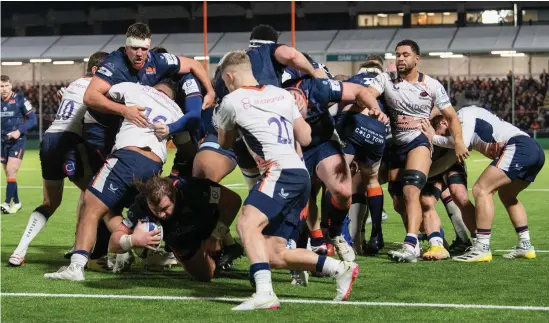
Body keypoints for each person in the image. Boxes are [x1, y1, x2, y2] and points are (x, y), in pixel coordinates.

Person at [216, 51, 359, 310]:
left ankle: (264, 294)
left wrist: (224, 121)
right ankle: (340, 269)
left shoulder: (231, 100)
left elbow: (225, 143)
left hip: (278, 171)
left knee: (247, 224)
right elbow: (305, 138)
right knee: (274, 253)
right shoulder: (282, 94)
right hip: (300, 173)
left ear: (229, 76)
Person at [44, 78, 189, 280]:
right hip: (154, 166)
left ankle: (76, 267)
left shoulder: (136, 89)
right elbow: (187, 147)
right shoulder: (177, 111)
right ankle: (140, 248)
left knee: (91, 205)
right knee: (110, 211)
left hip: (127, 158)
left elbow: (95, 95)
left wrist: (71, 95)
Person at [366, 39, 468, 263]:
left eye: (405, 55)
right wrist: (372, 107)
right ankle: (426, 237)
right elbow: (367, 93)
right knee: (397, 199)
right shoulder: (386, 79)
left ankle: (410, 244)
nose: (400, 58)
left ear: (416, 59)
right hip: (394, 145)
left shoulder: (431, 85)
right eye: (397, 55)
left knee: (412, 190)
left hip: (418, 141)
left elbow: (451, 115)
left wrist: (458, 141)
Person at [8, 52, 108, 267]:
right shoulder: (97, 88)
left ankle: (19, 251)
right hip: (69, 143)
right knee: (96, 196)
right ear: (95, 71)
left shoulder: (74, 84)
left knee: (50, 203)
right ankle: (91, 251)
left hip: (49, 140)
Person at [423, 105, 545, 262]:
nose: (444, 140)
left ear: (443, 123)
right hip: (534, 150)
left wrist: (433, 137)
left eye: (442, 134)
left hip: (518, 147)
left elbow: (462, 143)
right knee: (508, 196)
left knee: (481, 190)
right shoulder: (463, 131)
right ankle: (525, 245)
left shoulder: (463, 114)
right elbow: (448, 161)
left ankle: (482, 248)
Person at [108, 175, 242, 282]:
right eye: (155, 210)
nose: (161, 215)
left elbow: (233, 200)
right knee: (204, 276)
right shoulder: (141, 204)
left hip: (205, 222)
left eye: (165, 209)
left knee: (214, 217)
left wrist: (216, 236)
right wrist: (133, 240)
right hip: (178, 236)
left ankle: (227, 242)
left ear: (175, 195)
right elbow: (113, 244)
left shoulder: (190, 188)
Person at [0, 75, 37, 214]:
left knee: (11, 171)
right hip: (2, 142)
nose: (3, 89)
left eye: (5, 86)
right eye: (0, 86)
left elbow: (33, 120)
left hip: (17, 141)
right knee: (9, 175)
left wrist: (19, 131)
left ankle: (6, 203)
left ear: (10, 85)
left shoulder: (20, 99)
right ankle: (16, 202)